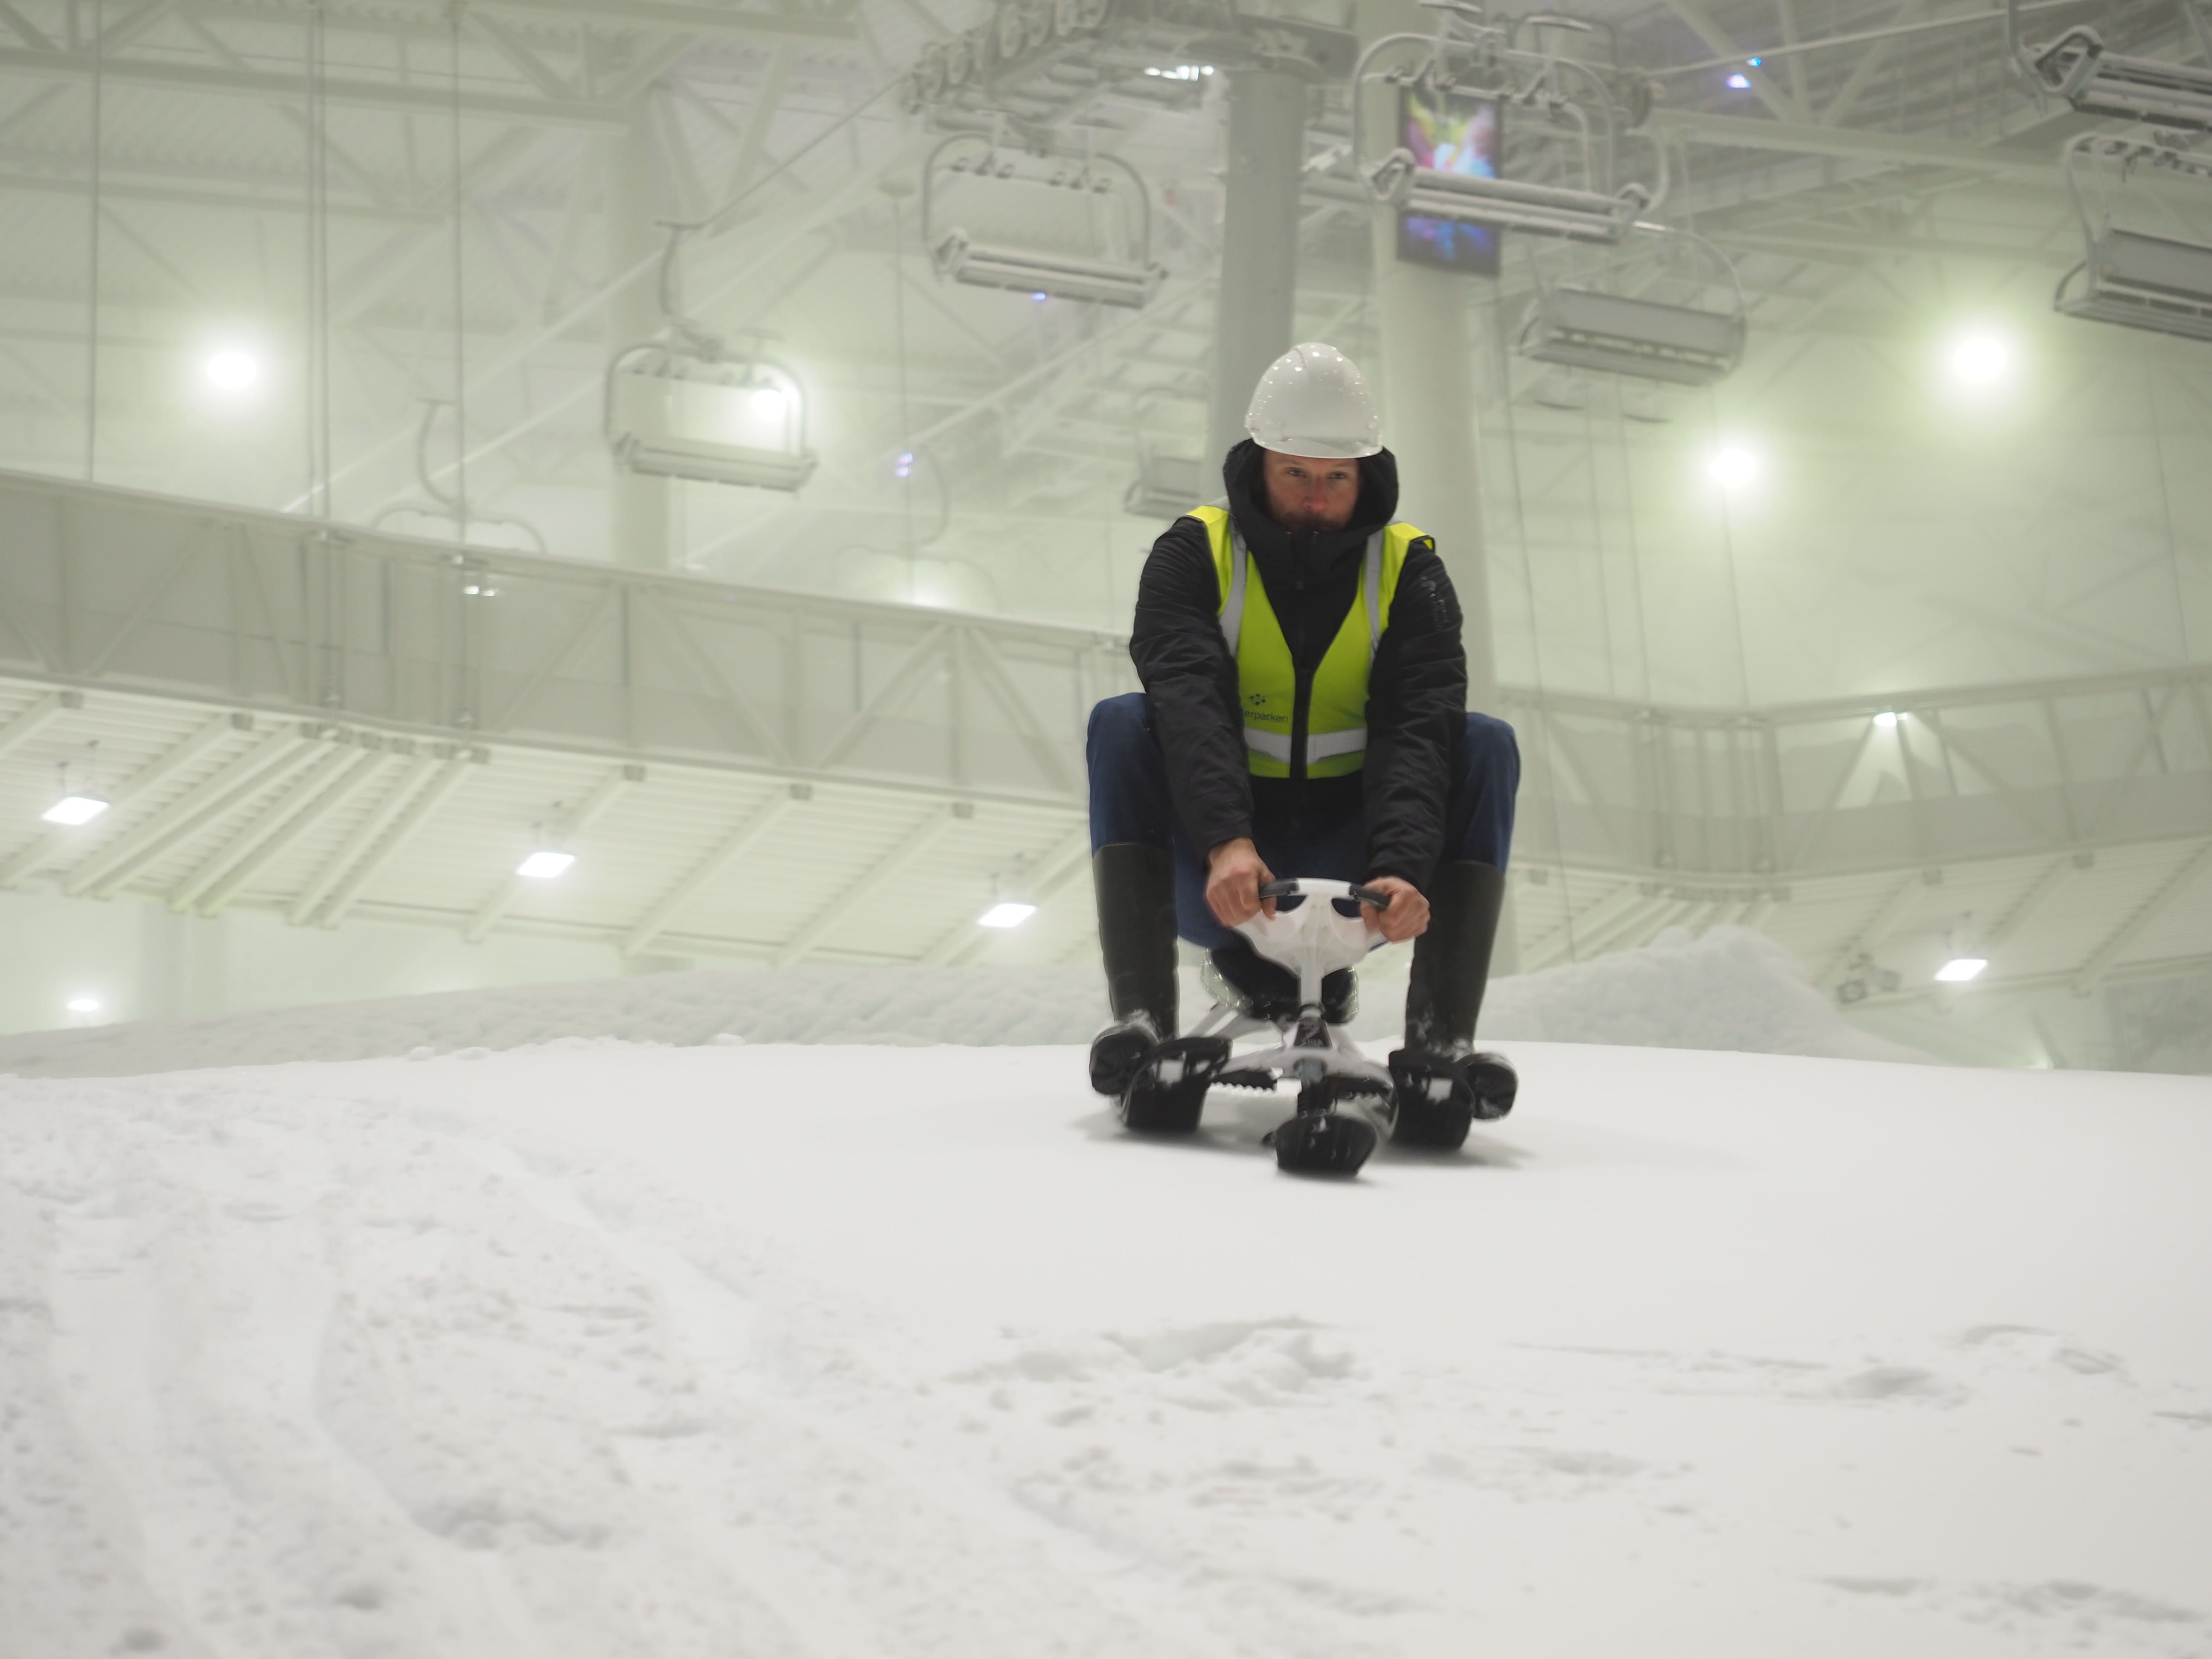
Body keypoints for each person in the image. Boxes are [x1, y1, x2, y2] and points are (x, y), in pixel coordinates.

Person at [1085, 342, 1520, 1147]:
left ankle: (1443, 1042)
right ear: (1259, 465)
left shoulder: (1410, 573)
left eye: (1336, 480)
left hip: (1355, 860)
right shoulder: (1192, 555)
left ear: (1366, 476)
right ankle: (1140, 1025)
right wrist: (1226, 842)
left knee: (1485, 743)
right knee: (1123, 721)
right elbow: (1188, 705)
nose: (1316, 500)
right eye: (1296, 476)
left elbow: (1417, 730)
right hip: (1217, 864)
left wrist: (1402, 865)